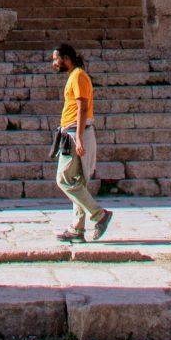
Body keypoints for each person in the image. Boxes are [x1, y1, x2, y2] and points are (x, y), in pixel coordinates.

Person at [51, 42, 112, 243]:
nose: (54, 63)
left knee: (63, 179)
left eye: (55, 59)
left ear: (66, 58)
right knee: (77, 182)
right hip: (73, 133)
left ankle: (99, 215)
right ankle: (77, 229)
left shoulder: (78, 76)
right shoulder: (74, 76)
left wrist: (78, 138)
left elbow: (82, 107)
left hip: (76, 134)